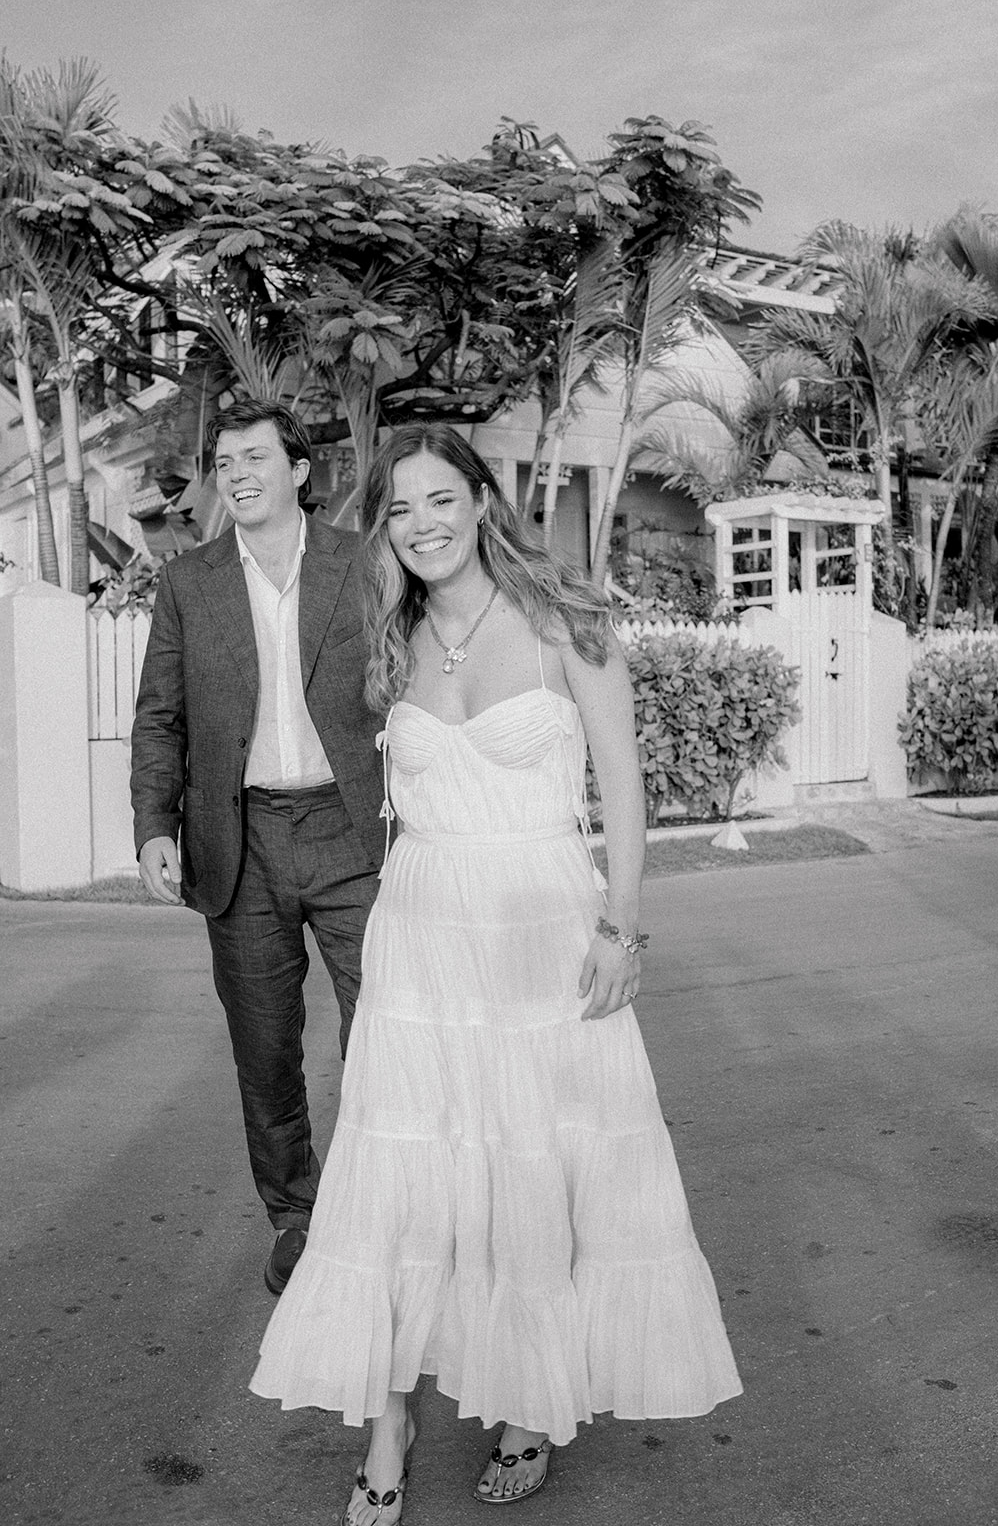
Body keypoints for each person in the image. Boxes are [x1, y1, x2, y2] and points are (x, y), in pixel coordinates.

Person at [250, 424, 742, 1521]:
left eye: (439, 500)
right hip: (421, 936)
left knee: (533, 1162)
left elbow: (621, 784)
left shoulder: (566, 619)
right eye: (399, 510)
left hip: (544, 928)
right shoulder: (384, 637)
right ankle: (388, 1417)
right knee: (405, 1181)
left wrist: (621, 927)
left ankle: (526, 1400)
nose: (421, 525)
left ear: (480, 502)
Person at [130, 398, 383, 1296]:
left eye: (253, 458)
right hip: (237, 841)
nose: (235, 474)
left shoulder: (365, 564)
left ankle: (377, 1206)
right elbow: (161, 716)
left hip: (356, 834)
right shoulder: (189, 581)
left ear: (299, 469)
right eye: (224, 462)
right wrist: (156, 828)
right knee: (266, 1048)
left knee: (384, 1032)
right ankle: (297, 1217)